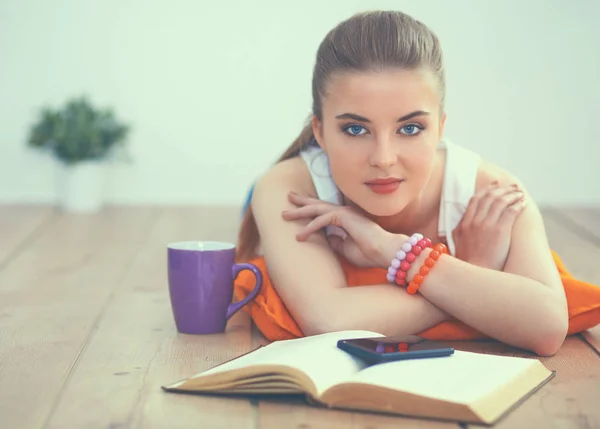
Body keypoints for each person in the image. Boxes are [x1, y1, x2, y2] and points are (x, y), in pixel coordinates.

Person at [233, 10, 598, 356]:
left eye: (410, 128)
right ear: (320, 132)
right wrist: (473, 274)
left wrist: (390, 249)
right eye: (355, 129)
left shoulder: (492, 193)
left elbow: (547, 326)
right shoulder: (290, 187)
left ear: (439, 127)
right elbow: (329, 319)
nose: (384, 158)